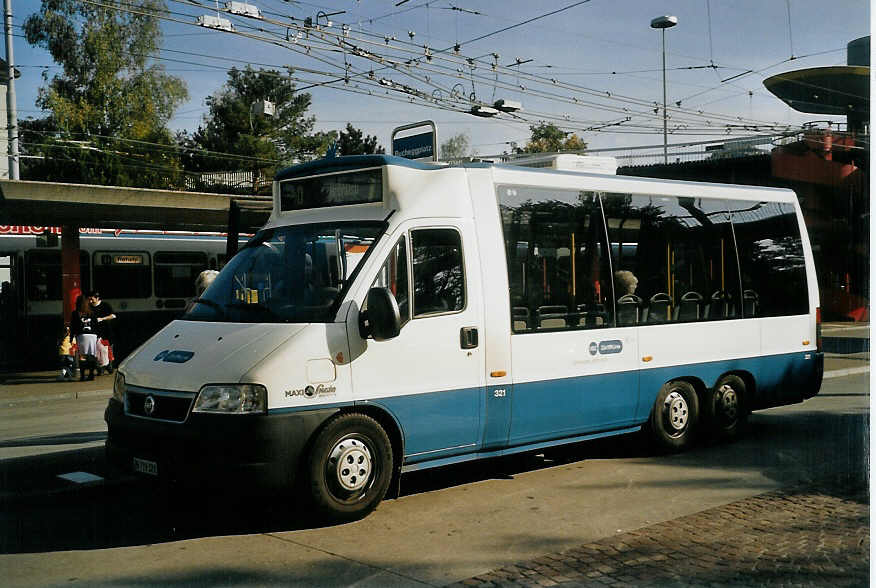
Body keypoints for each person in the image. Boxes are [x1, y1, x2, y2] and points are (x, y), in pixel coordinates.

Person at [71, 295, 97, 381]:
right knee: (91, 356)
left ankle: (82, 376)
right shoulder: (91, 312)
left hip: (82, 336)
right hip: (92, 336)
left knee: (82, 356)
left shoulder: (75, 313)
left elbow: (73, 326)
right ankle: (91, 374)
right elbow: (96, 324)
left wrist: (71, 338)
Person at [89, 291, 116, 374]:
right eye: (89, 299)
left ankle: (109, 365)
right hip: (95, 333)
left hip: (106, 332)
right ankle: (100, 367)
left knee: (108, 349)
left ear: (97, 298)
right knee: (97, 350)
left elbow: (113, 315)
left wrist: (102, 319)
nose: (90, 301)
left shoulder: (105, 305)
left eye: (92, 299)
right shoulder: (89, 307)